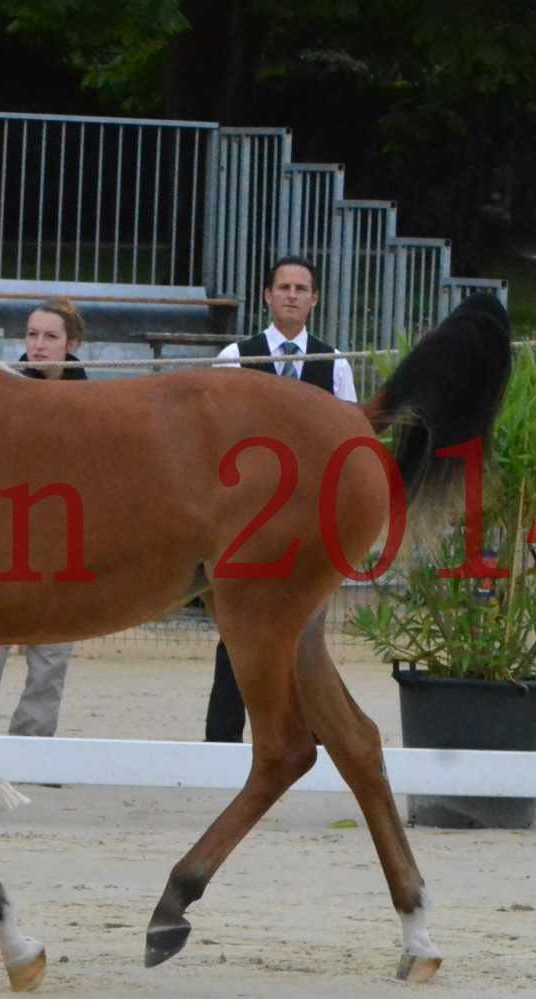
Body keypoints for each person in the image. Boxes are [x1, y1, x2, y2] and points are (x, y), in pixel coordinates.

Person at [205, 255, 357, 743]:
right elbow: (212, 438)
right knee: (236, 630)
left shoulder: (334, 364)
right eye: (283, 286)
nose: (292, 294)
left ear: (314, 299)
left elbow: (349, 443)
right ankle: (222, 740)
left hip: (307, 523)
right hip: (245, 521)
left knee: (304, 634)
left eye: (301, 287)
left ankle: (301, 737)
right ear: (267, 296)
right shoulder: (234, 355)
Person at [0, 299, 88, 737]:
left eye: (50, 337)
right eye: (32, 335)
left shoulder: (93, 400)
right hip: (0, 539)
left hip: (62, 541)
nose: (39, 345)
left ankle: (33, 745)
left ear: (71, 343)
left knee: (51, 654)